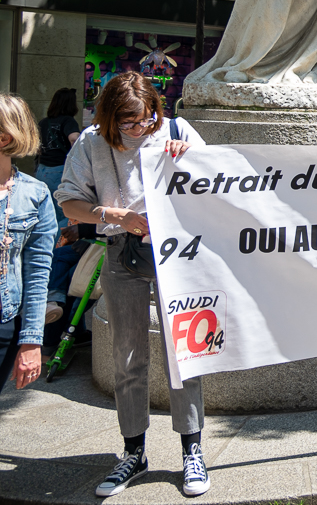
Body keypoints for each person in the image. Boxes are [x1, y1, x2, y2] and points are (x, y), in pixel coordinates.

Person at [56, 72, 210, 498]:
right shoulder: (90, 142)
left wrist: (191, 158)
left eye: (145, 120)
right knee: (127, 357)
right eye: (128, 122)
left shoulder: (174, 129)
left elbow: (217, 182)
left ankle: (191, 451)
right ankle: (133, 452)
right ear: (109, 117)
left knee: (183, 351)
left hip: (176, 251)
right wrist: (113, 215)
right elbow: (69, 201)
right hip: (121, 251)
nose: (139, 129)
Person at [0, 94, 58, 394]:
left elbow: (37, 276)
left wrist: (32, 341)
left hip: (4, 325)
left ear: (3, 138)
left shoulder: (34, 195)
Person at [36, 87, 81, 229]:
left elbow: (36, 147)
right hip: (59, 171)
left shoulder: (44, 122)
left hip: (42, 171)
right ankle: (56, 247)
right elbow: (74, 138)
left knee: (45, 213)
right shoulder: (68, 121)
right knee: (64, 212)